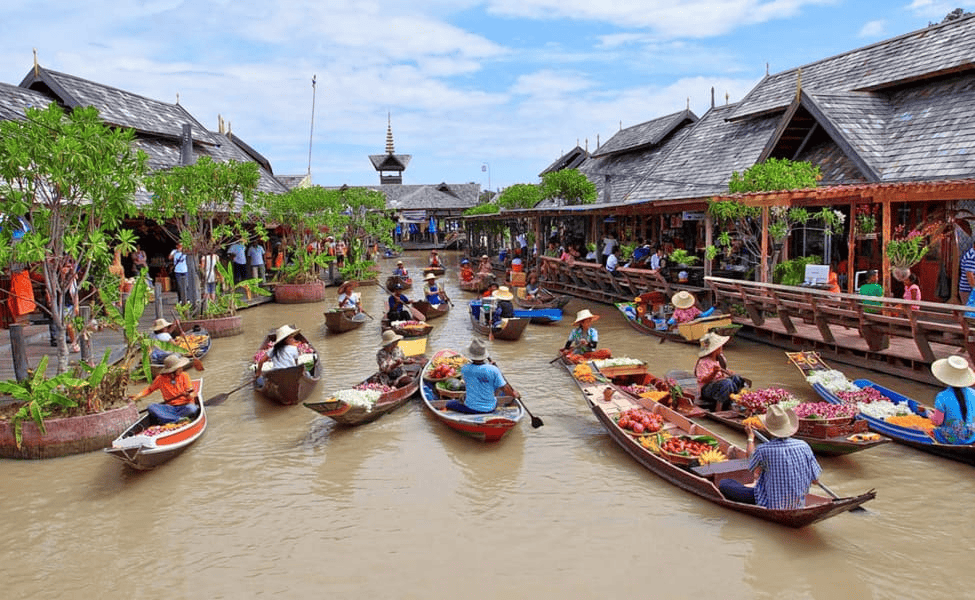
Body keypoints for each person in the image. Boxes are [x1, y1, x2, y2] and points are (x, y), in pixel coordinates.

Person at [717, 404, 822, 510]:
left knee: (724, 483)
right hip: (798, 503)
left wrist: (750, 438)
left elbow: (751, 462)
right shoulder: (804, 445)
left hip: (769, 503)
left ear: (768, 429)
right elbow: (815, 480)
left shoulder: (764, 449)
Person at [445, 338, 519, 414]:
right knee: (497, 386)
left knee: (449, 404)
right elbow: (504, 387)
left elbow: (470, 378)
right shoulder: (493, 370)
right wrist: (514, 394)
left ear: (471, 355)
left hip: (471, 408)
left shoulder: (465, 369)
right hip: (491, 408)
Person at [130, 354, 199, 424]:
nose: (181, 369)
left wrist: (189, 395)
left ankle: (168, 418)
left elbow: (191, 392)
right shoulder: (160, 379)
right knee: (151, 407)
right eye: (179, 368)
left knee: (192, 409)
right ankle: (178, 419)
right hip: (170, 407)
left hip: (185, 406)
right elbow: (149, 389)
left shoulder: (184, 375)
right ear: (172, 371)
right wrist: (138, 396)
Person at [925, 356, 975, 444]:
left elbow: (937, 422)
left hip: (952, 438)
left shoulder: (942, 396)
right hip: (972, 436)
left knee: (929, 430)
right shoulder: (973, 393)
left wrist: (929, 415)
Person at [695, 332, 749, 412]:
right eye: (720, 346)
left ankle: (734, 401)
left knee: (737, 378)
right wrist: (713, 373)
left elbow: (725, 370)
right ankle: (719, 408)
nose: (721, 347)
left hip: (721, 386)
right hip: (707, 390)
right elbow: (703, 380)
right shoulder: (703, 362)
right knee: (726, 383)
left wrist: (730, 372)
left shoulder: (721, 358)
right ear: (715, 349)